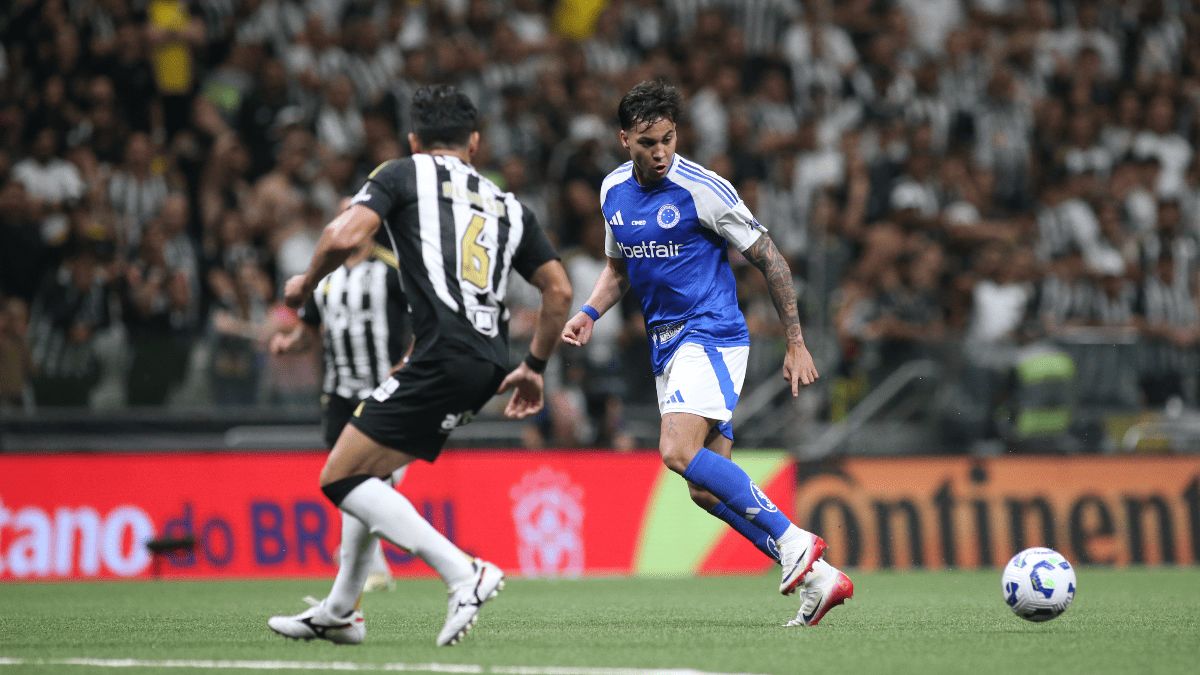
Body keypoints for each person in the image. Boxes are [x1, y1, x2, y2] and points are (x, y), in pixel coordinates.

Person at [267, 85, 573, 646]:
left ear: (413, 140)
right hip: (488, 360)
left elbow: (344, 233)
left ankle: (464, 572)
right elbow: (558, 292)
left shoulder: (403, 172)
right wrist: (534, 366)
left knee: (340, 476)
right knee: (369, 471)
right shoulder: (511, 205)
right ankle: (341, 611)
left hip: (440, 352)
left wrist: (304, 284)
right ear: (475, 143)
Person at [561, 81, 852, 627]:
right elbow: (618, 269)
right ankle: (819, 578)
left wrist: (794, 339)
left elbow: (771, 259)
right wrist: (589, 312)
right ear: (625, 139)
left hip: (713, 335)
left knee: (675, 450)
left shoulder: (704, 189)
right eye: (648, 141)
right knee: (704, 487)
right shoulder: (612, 192)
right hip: (666, 346)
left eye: (669, 138)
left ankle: (795, 542)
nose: (661, 152)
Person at [270, 200, 412, 593]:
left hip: (384, 391)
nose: (347, 221)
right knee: (351, 480)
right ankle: (368, 562)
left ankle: (364, 561)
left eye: (356, 214)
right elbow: (309, 332)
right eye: (342, 215)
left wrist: (408, 362)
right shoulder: (325, 277)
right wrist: (289, 344)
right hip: (338, 394)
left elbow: (426, 320)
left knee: (371, 477)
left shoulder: (391, 270)